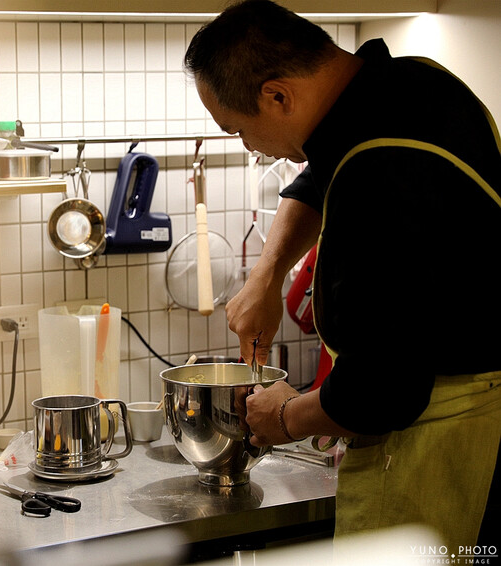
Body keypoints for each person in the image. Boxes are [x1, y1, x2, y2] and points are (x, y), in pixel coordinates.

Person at [185, 0, 501, 551]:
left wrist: (283, 416)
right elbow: (322, 173)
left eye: (237, 129)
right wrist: (268, 273)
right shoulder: (413, 83)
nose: (247, 146)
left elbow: (382, 391)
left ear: (277, 95)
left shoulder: (377, 177)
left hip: (433, 432)